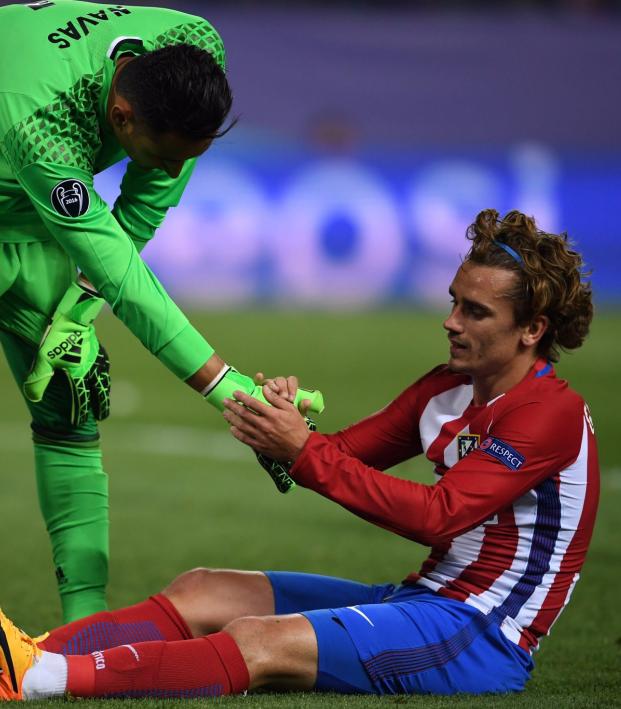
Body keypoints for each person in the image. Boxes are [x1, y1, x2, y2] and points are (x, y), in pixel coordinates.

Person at [0, 209, 599, 698]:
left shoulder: (551, 414)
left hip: (481, 635)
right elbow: (335, 456)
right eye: (453, 302)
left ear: (532, 329)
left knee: (261, 641)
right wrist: (277, 423)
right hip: (423, 599)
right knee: (204, 589)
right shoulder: (445, 387)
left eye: (475, 311)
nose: (450, 321)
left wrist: (304, 450)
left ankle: (42, 679)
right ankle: (25, 653)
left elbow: (436, 515)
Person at [0, 1, 317, 623]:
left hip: (32, 228)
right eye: (167, 153)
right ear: (120, 116)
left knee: (71, 407)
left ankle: (83, 628)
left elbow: (140, 213)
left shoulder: (193, 46)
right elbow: (120, 271)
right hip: (31, 184)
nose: (177, 169)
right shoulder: (40, 118)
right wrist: (231, 391)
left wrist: (76, 313)